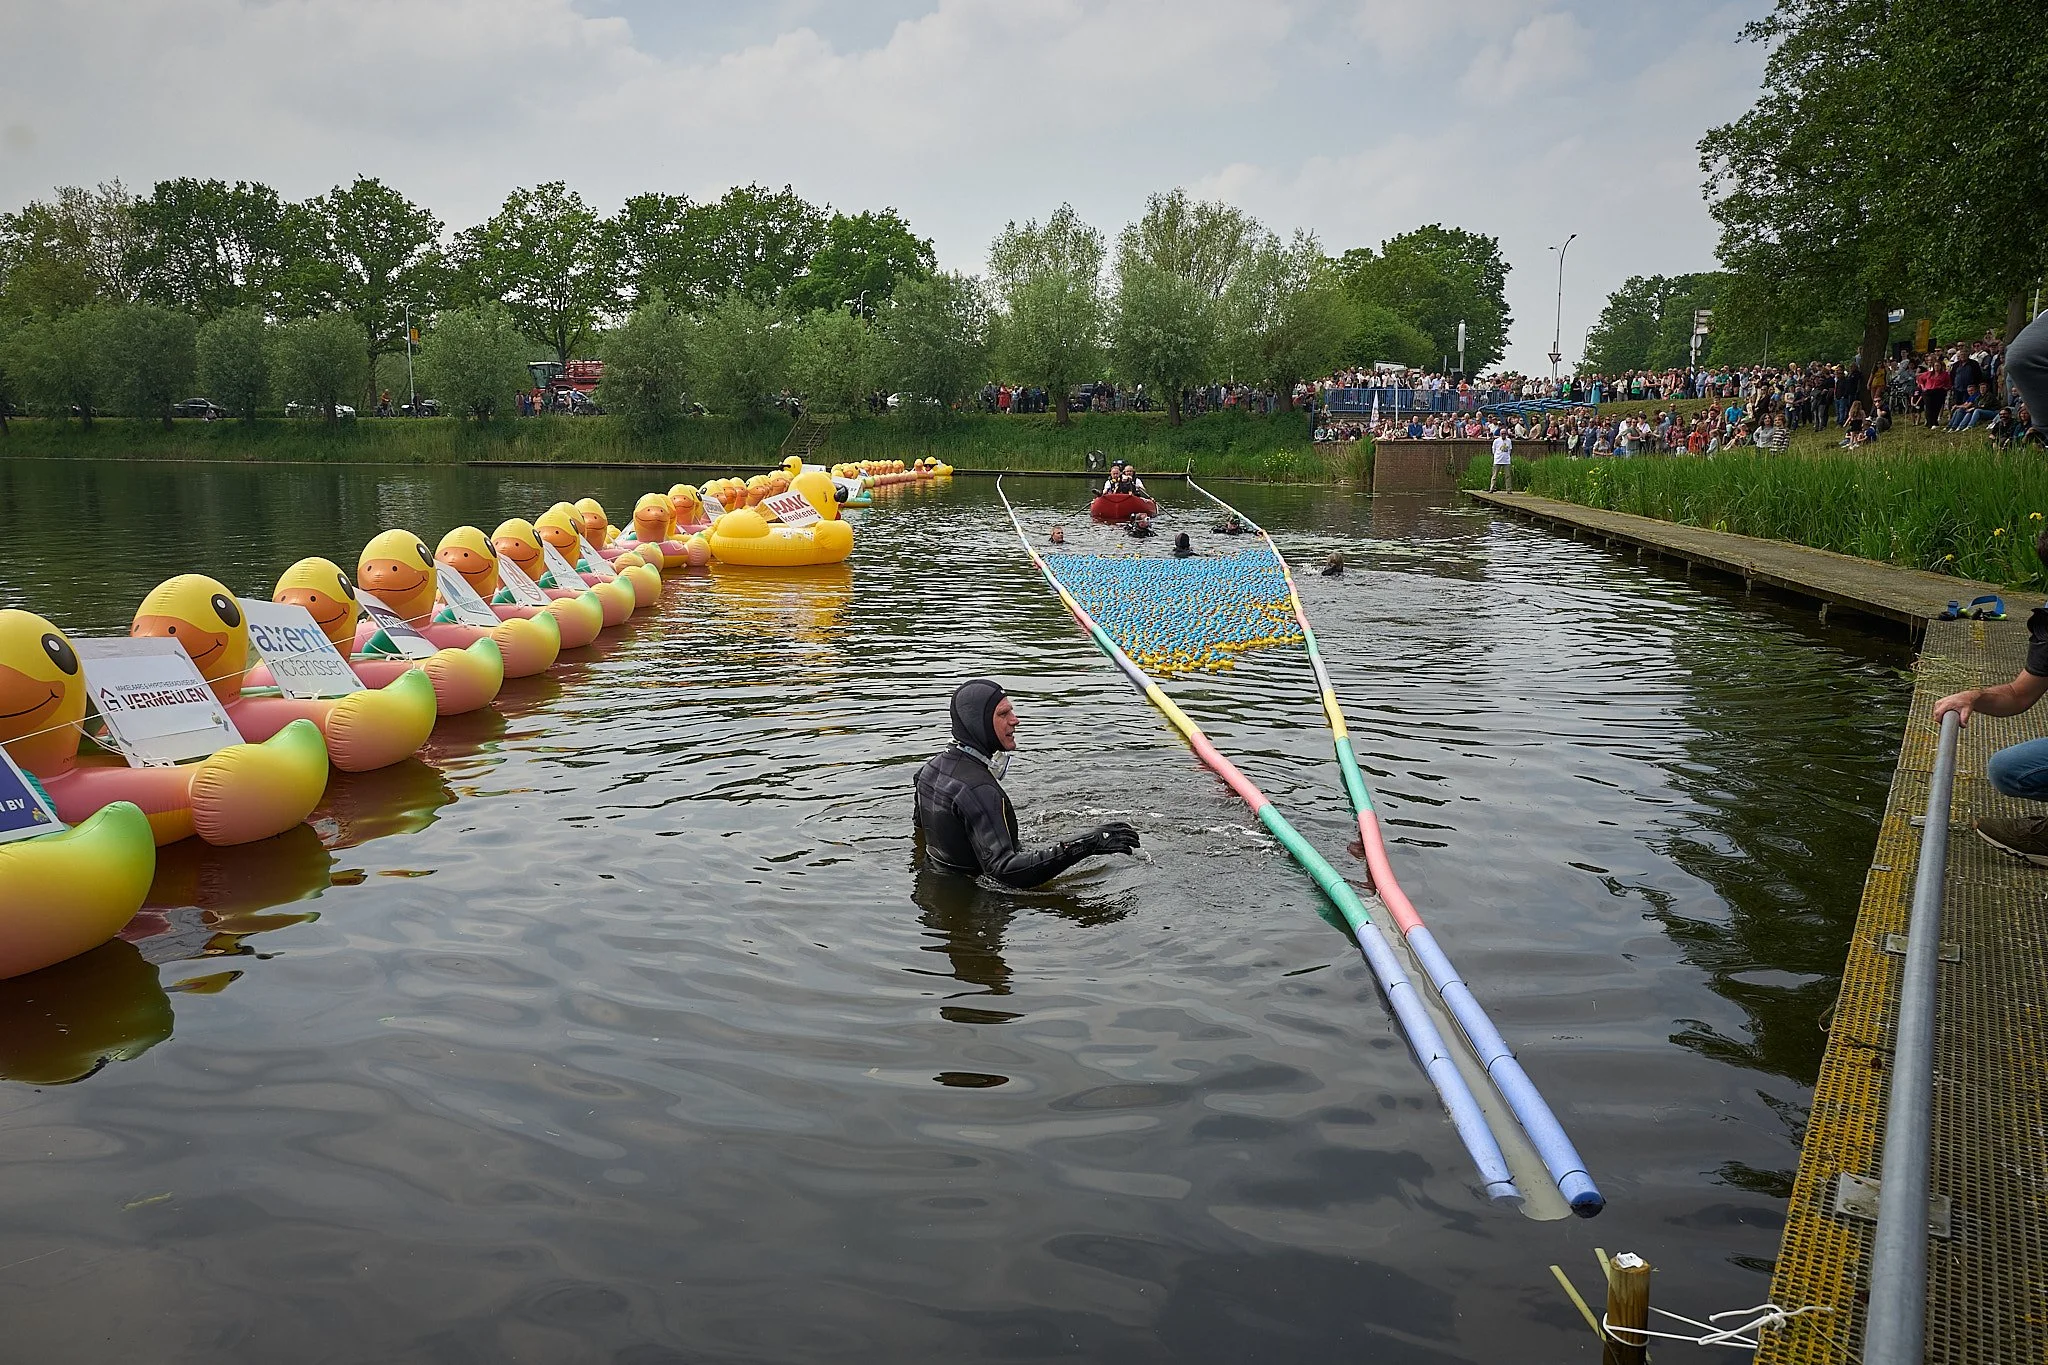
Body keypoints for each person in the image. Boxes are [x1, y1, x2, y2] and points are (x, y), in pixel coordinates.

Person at [913, 678, 1140, 887]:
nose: (1015, 720)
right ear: (978, 723)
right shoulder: (979, 790)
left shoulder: (928, 770)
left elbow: (921, 828)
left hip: (938, 891)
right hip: (978, 904)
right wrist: (1088, 843)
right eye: (1003, 714)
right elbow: (1004, 872)